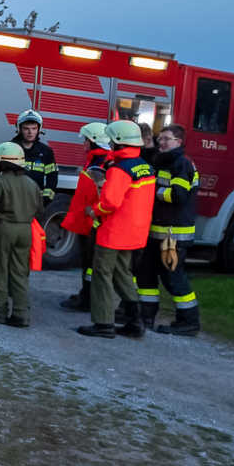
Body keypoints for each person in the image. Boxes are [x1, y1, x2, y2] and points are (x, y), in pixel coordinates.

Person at [77, 119, 155, 339]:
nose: (110, 143)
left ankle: (103, 323)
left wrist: (94, 211)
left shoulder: (120, 169)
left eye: (112, 140)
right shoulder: (145, 166)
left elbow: (110, 202)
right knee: (122, 274)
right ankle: (135, 321)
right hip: (135, 232)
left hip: (114, 232)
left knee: (102, 274)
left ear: (119, 142)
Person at [0, 108, 56, 298]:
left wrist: (43, 203)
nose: (30, 132)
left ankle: (13, 288)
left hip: (31, 211)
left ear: (39, 129)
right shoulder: (8, 148)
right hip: (7, 209)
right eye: (26, 128)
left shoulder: (46, 152)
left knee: (22, 253)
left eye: (34, 128)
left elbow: (51, 180)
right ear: (19, 129)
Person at [136, 124, 202, 335]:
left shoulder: (183, 164)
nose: (162, 142)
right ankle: (145, 317)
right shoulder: (164, 161)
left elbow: (177, 195)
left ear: (178, 142)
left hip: (174, 235)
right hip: (157, 233)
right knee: (145, 274)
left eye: (167, 139)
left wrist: (151, 191)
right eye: (161, 138)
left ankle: (189, 322)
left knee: (173, 279)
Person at [0, 142, 42, 327]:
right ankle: (21, 315)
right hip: (26, 230)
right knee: (20, 272)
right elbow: (40, 209)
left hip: (3, 228)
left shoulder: (0, 181)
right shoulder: (31, 183)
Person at [58, 122, 113, 313]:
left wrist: (93, 210)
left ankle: (88, 299)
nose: (83, 142)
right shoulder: (95, 160)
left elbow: (106, 194)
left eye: (86, 139)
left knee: (90, 263)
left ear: (95, 141)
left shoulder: (103, 163)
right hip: (87, 219)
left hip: (93, 221)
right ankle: (85, 293)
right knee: (86, 261)